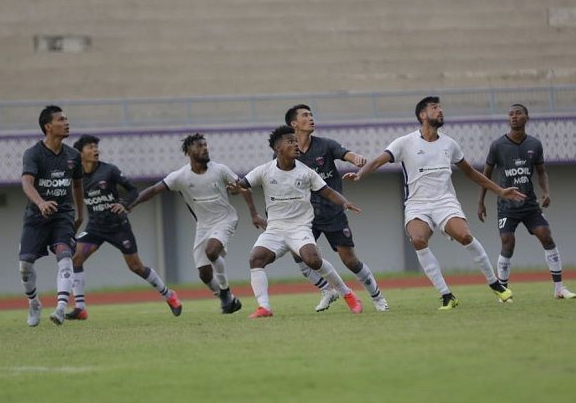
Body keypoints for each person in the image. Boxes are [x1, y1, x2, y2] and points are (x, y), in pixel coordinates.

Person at [344, 96, 526, 310]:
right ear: (422, 115)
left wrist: (500, 190)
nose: (440, 111)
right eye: (434, 107)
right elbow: (376, 161)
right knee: (418, 240)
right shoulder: (405, 142)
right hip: (417, 204)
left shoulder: (450, 144)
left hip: (445, 202)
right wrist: (359, 174)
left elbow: (471, 173)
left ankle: (495, 284)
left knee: (465, 235)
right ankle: (447, 296)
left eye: (440, 107)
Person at [229, 125, 364, 318]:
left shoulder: (305, 172)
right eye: (290, 141)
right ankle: (264, 307)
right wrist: (234, 188)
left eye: (295, 141)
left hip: (299, 228)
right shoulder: (264, 170)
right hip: (275, 229)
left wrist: (345, 203)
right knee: (255, 259)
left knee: (313, 260)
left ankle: (347, 294)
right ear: (278, 148)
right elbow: (241, 186)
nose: (295, 144)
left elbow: (326, 191)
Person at [129, 133, 265, 314]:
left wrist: (254, 214)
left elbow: (243, 187)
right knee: (204, 273)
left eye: (205, 145)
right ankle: (230, 301)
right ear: (188, 152)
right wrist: (131, 204)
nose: (204, 148)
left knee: (212, 251)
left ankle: (225, 291)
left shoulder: (220, 170)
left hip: (225, 219)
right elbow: (154, 189)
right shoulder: (181, 176)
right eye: (199, 146)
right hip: (203, 225)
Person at [64, 134, 183, 321]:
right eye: (90, 147)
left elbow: (133, 190)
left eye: (96, 146)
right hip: (95, 227)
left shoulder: (109, 170)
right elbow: (74, 195)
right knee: (75, 258)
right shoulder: (77, 177)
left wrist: (124, 204)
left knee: (136, 266)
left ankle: (169, 295)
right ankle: (80, 308)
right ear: (80, 153)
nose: (95, 150)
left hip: (118, 226)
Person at [284, 104, 389, 312]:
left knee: (349, 260)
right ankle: (327, 290)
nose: (311, 118)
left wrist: (356, 158)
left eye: (312, 114)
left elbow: (345, 153)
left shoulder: (325, 145)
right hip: (305, 216)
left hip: (332, 213)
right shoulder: (288, 153)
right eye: (305, 115)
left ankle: (378, 298)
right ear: (293, 123)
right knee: (298, 255)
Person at [477, 104, 576, 300]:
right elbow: (485, 175)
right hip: (507, 205)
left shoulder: (535, 144)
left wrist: (546, 192)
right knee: (508, 243)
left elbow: (541, 172)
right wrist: (481, 201)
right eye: (510, 114)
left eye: (518, 113)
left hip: (530, 204)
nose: (514, 117)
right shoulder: (497, 146)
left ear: (527, 117)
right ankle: (503, 293)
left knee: (546, 236)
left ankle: (559, 288)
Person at [18, 105, 85, 326]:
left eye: (66, 118)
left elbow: (77, 185)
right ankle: (34, 303)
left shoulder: (73, 156)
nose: (66, 122)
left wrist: (80, 214)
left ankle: (60, 308)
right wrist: (40, 202)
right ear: (48, 126)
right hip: (36, 217)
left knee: (65, 256)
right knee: (25, 265)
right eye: (61, 119)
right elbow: (26, 183)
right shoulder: (33, 154)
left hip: (63, 216)